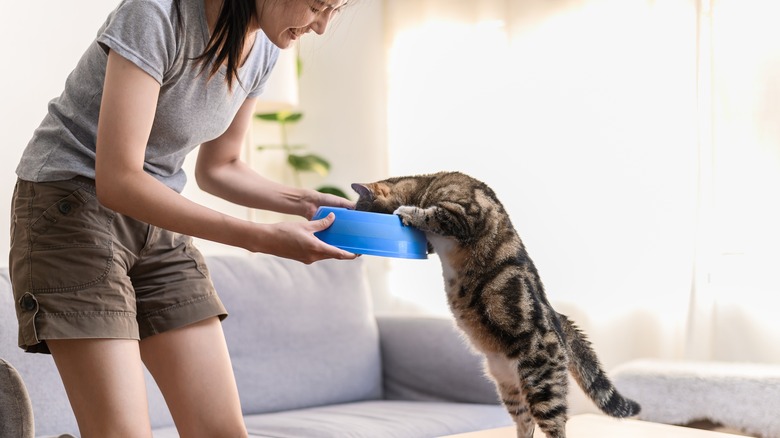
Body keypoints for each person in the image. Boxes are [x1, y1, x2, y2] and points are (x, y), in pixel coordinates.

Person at [8, 0, 355, 436]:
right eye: (317, 5)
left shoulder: (265, 46)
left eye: (335, 10)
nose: (321, 27)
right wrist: (259, 237)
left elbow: (220, 166)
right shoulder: (155, 14)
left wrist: (304, 201)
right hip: (69, 208)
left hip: (155, 218)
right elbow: (117, 180)